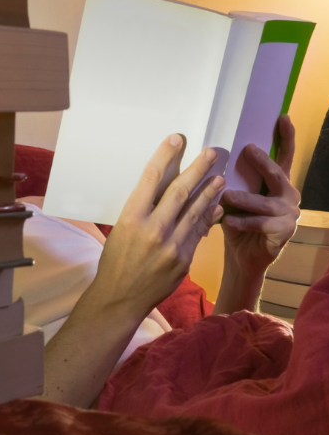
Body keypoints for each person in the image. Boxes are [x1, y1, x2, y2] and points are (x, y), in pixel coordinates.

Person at [41, 114, 302, 408]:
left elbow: (207, 374)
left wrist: (244, 271)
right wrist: (122, 297)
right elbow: (12, 432)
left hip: (179, 384)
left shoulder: (59, 210)